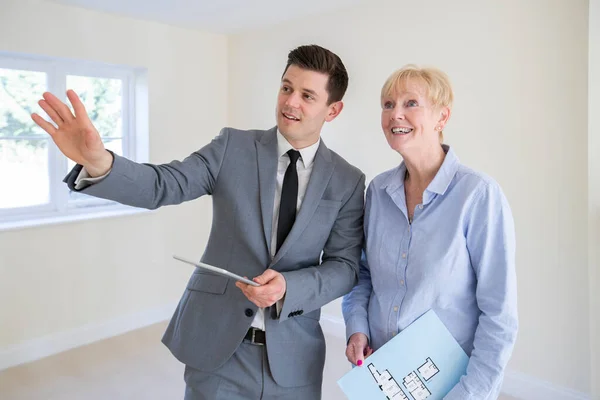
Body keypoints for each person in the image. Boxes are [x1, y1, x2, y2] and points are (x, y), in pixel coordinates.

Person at [31, 44, 365, 400]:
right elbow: (163, 185)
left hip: (295, 361)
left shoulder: (347, 180)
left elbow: (345, 266)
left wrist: (288, 286)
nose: (290, 102)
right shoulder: (231, 147)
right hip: (219, 353)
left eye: (307, 95)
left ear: (333, 110)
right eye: (286, 87)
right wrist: (100, 161)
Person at [342, 65, 518, 399]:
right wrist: (357, 330)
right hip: (382, 379)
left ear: (441, 117)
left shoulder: (478, 195)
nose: (396, 114)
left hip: (452, 385)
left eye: (411, 103)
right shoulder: (377, 192)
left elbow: (499, 316)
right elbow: (362, 275)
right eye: (388, 104)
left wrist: (468, 394)